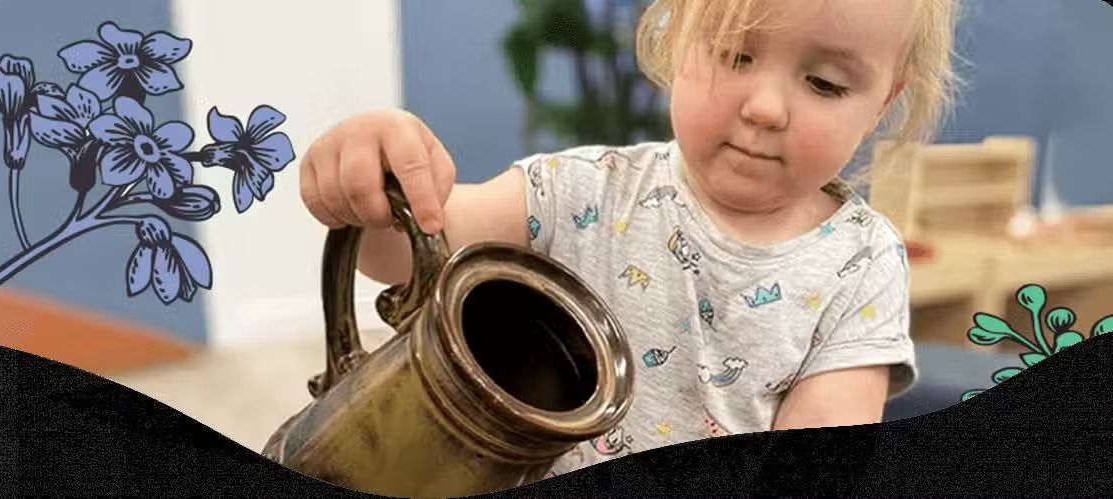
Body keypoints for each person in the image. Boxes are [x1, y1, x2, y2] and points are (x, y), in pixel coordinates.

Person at [298, 0, 962, 477]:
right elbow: (407, 252)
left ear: (882, 102)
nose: (764, 107)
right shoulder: (583, 191)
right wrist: (375, 179)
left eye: (824, 83)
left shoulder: (861, 263)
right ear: (676, 34)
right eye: (735, 54)